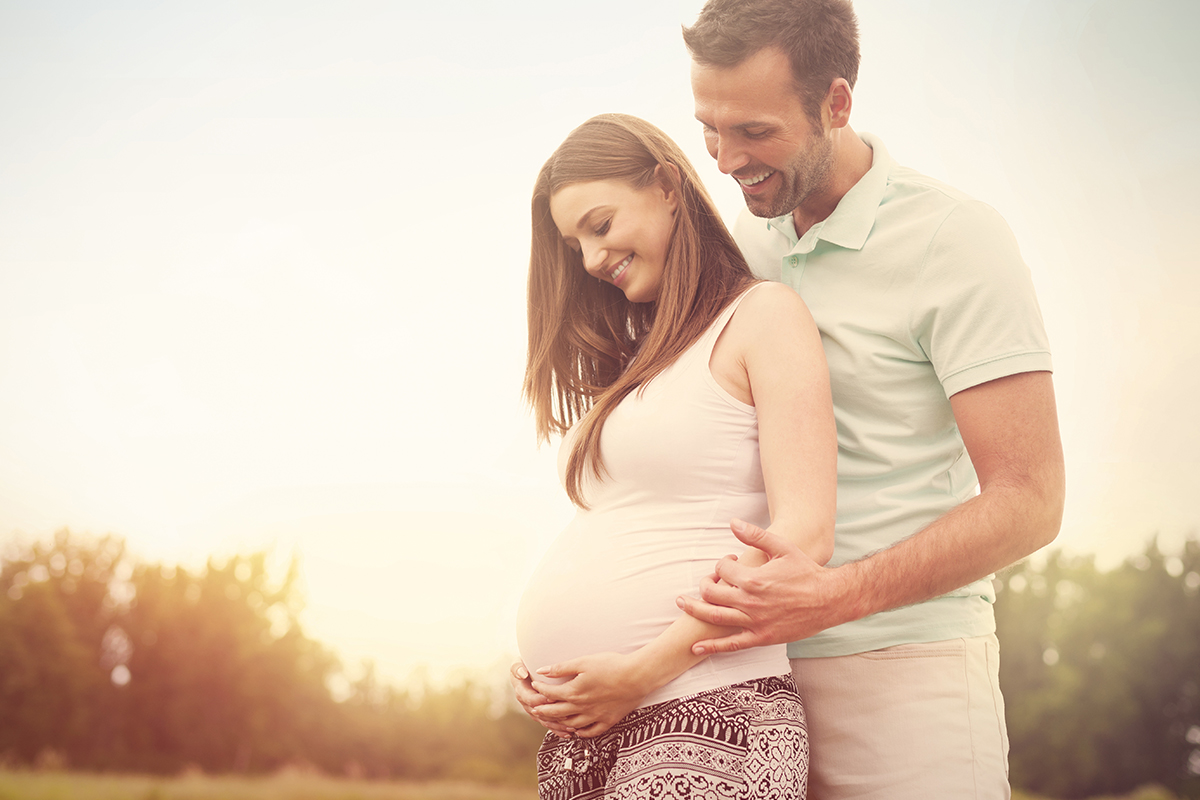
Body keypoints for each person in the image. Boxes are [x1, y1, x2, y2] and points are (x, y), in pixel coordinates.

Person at [516, 1, 1066, 797]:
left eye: (755, 132)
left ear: (836, 105)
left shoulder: (954, 240)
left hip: (905, 674)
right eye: (711, 128)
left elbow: (1031, 500)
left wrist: (834, 597)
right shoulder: (740, 253)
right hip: (740, 679)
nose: (728, 158)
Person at [516, 113, 837, 799]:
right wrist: (553, 673)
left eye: (599, 227)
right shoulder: (644, 364)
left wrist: (641, 670)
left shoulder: (763, 316)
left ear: (666, 187)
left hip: (710, 710)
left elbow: (803, 535)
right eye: (575, 247)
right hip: (597, 733)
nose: (592, 260)